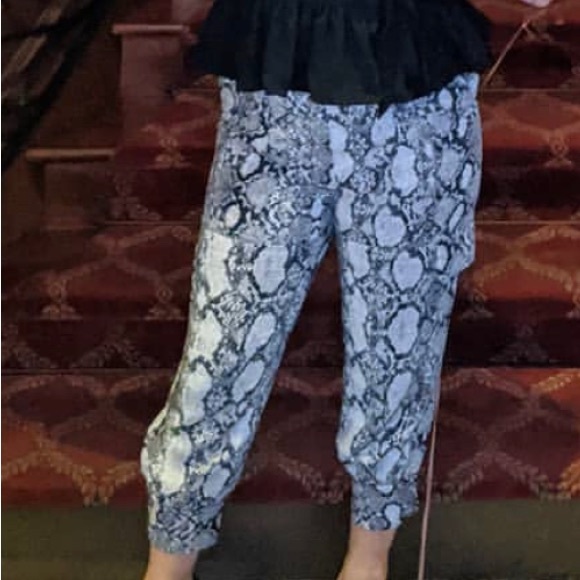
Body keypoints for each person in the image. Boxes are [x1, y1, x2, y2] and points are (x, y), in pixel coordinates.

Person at [141, 0, 554, 579]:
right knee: (224, 342)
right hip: (276, 92)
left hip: (414, 98)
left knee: (397, 344)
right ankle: (169, 560)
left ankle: (368, 559)